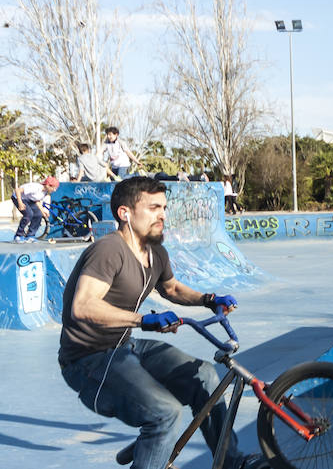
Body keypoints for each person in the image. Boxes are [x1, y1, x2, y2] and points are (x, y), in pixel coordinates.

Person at [57, 177, 266, 469]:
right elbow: (83, 305)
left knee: (204, 377)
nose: (162, 214)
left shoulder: (155, 252)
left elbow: (172, 289)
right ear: (125, 213)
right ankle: (155, 439)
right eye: (153, 207)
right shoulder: (108, 250)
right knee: (164, 413)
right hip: (88, 360)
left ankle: (231, 461)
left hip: (125, 345)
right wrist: (143, 319)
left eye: (164, 207)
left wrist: (209, 299)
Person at [11, 176, 59, 242]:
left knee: (38, 215)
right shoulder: (35, 187)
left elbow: (37, 201)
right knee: (28, 214)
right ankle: (18, 235)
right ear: (48, 185)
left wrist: (43, 211)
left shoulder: (44, 192)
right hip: (18, 197)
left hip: (29, 200)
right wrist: (20, 203)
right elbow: (17, 190)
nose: (54, 190)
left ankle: (30, 235)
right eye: (54, 188)